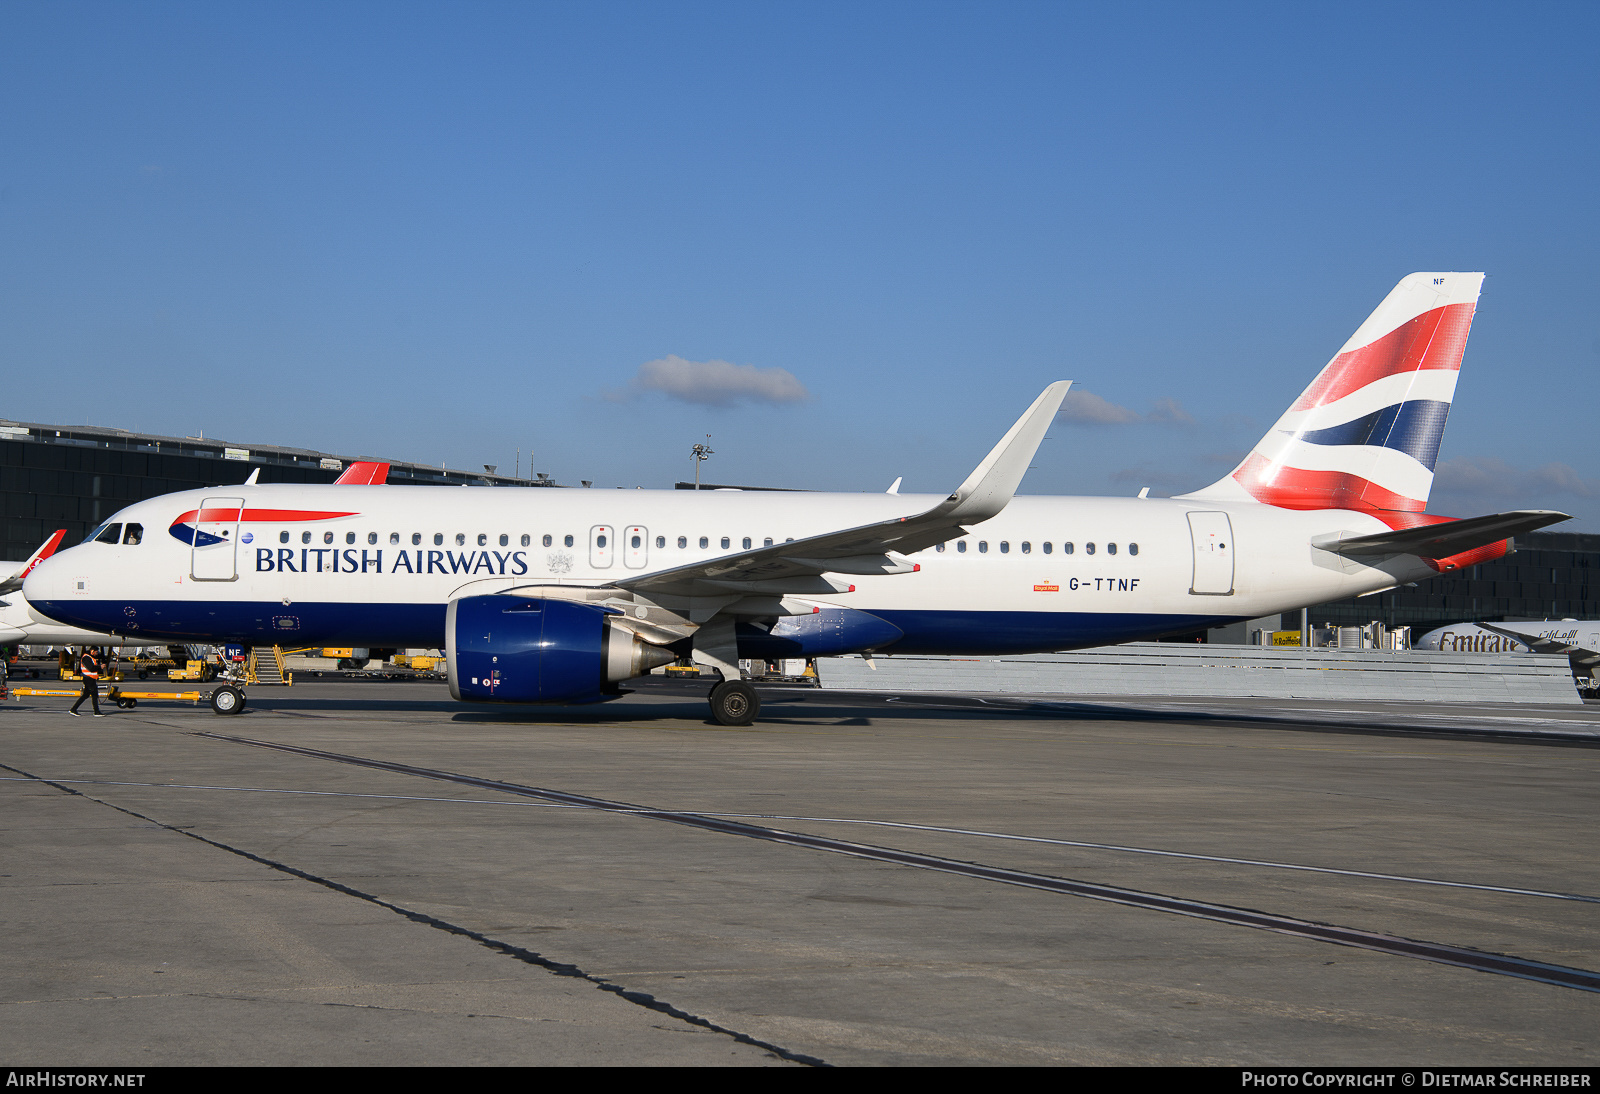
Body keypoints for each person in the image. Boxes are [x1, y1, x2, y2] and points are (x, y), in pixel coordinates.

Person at [69, 646, 105, 718]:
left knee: (85, 695)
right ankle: (96, 711)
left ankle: (73, 709)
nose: (97, 654)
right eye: (96, 652)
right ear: (92, 651)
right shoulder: (86, 658)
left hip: (90, 679)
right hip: (89, 679)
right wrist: (100, 667)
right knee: (94, 695)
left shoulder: (90, 657)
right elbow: (91, 668)